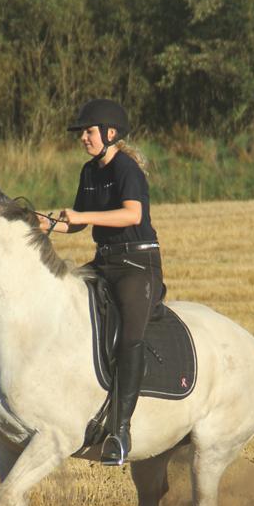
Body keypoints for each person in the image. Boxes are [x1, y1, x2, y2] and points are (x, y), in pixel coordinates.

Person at [40, 98, 164, 466]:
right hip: (105, 262)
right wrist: (45, 224)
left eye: (89, 132)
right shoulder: (89, 172)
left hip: (137, 266)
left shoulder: (127, 169)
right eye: (82, 133)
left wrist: (82, 215)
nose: (83, 138)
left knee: (130, 337)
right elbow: (76, 223)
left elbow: (132, 213)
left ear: (111, 134)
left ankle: (120, 431)